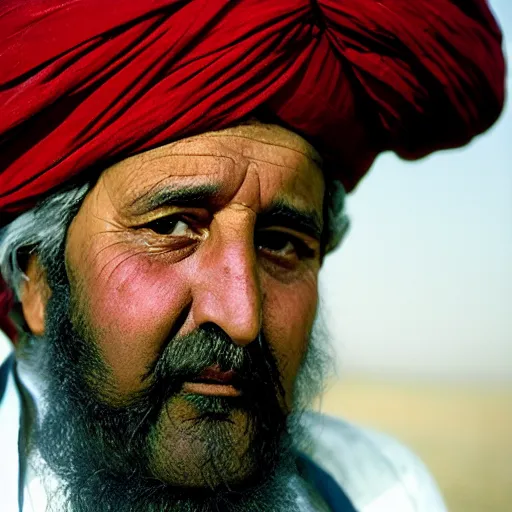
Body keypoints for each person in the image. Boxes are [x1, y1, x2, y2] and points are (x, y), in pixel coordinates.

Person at [0, 1, 505, 511]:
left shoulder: (386, 490)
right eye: (174, 226)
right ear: (35, 277)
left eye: (281, 243)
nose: (242, 316)